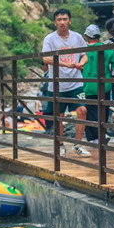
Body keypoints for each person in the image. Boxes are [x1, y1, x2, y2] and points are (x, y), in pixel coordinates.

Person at [41, 8, 89, 155]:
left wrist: (81, 63)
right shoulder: (50, 39)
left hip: (75, 82)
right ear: (55, 22)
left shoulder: (77, 37)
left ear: (70, 21)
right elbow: (45, 58)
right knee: (59, 116)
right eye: (59, 20)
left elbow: (85, 55)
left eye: (65, 19)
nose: (62, 22)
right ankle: (60, 145)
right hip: (57, 84)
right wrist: (66, 64)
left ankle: (78, 144)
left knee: (82, 110)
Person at [77, 24, 114, 146]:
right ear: (99, 37)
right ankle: (102, 133)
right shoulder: (107, 49)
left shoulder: (82, 51)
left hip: (87, 86)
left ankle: (97, 137)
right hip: (104, 86)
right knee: (103, 110)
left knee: (91, 112)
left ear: (86, 37)